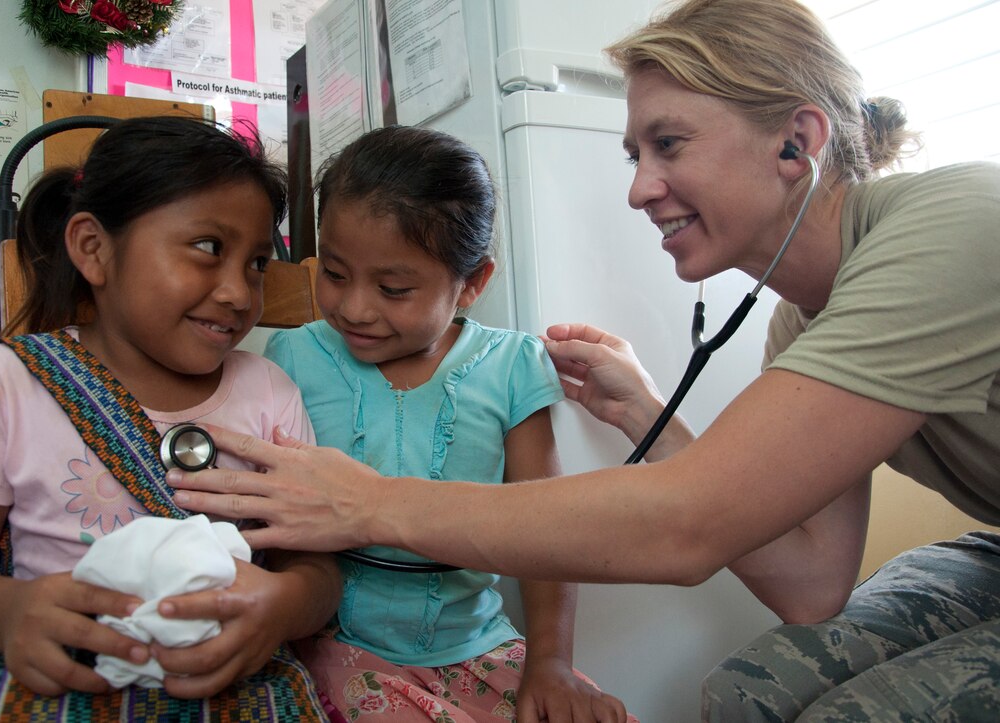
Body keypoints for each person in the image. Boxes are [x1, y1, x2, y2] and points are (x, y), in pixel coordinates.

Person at [161, 0, 1000, 719]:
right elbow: (810, 580)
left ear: (797, 141)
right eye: (635, 154)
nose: (638, 187)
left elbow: (689, 523)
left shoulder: (957, 224)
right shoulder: (799, 321)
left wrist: (371, 503)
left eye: (669, 143)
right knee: (749, 688)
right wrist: (644, 410)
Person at [0, 116, 341, 721]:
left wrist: (286, 602)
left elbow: (316, 566)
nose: (239, 293)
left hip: (225, 684)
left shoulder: (269, 392)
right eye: (209, 248)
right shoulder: (14, 380)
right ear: (93, 248)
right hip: (59, 684)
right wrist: (9, 613)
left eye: (256, 264)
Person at [264, 125, 632, 722]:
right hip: (330, 648)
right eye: (334, 274)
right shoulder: (294, 359)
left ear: (473, 284)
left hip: (480, 647)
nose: (354, 307)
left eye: (393, 288)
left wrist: (552, 663)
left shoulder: (512, 366)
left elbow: (548, 530)